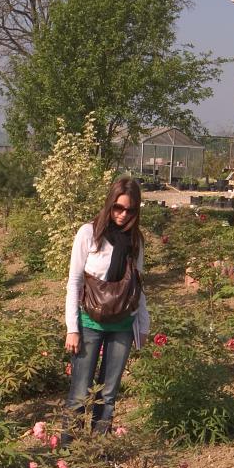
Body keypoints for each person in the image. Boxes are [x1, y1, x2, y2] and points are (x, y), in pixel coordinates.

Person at [64, 178, 150, 434]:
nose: (123, 215)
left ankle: (99, 455)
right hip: (89, 322)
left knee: (108, 395)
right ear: (109, 203)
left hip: (122, 324)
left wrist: (143, 325)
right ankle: (71, 456)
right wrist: (72, 328)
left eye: (130, 210)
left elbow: (137, 285)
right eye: (118, 208)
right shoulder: (89, 233)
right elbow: (75, 282)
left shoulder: (136, 241)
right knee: (80, 394)